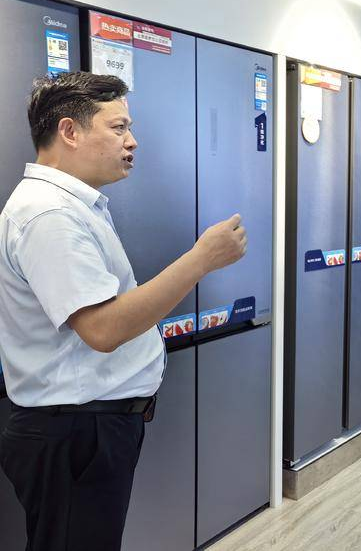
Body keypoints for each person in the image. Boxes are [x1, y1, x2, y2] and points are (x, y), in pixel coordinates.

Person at [0, 72, 247, 551]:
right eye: (118, 128)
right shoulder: (50, 214)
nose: (132, 141)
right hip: (75, 432)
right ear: (69, 131)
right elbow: (103, 328)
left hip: (87, 427)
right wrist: (202, 259)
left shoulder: (73, 204)